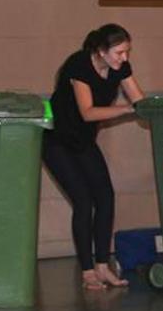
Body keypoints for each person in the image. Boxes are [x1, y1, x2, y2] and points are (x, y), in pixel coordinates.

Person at [43, 24, 145, 290]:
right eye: (119, 52)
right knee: (83, 200)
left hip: (83, 141)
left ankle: (102, 265)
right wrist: (127, 109)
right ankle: (88, 271)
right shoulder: (78, 66)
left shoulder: (120, 67)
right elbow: (87, 112)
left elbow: (140, 100)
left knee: (106, 197)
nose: (124, 58)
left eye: (127, 51)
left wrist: (153, 109)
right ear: (101, 51)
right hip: (56, 141)